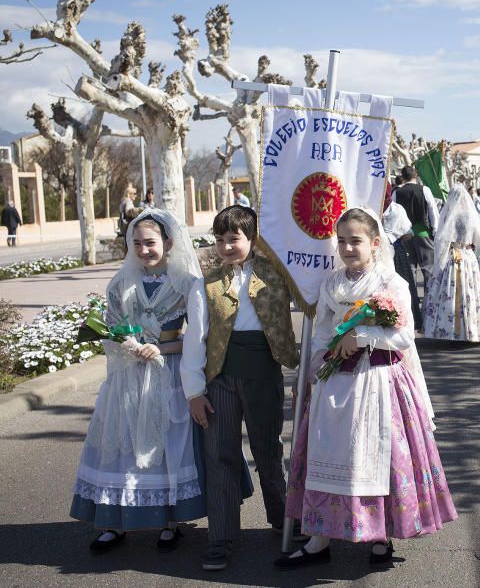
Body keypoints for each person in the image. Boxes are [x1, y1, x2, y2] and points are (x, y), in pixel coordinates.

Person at [278, 207, 457, 569]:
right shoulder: (332, 284)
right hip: (335, 384)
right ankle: (319, 537)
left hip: (379, 382)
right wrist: (309, 375)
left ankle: (380, 535)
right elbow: (323, 334)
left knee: (377, 456)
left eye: (355, 241)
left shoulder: (391, 284)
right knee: (327, 455)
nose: (346, 248)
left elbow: (404, 335)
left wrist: (361, 337)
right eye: (341, 241)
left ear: (375, 244)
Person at [70, 209, 205, 554]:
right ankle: (113, 522)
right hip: (129, 376)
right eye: (137, 243)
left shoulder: (186, 283)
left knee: (165, 443)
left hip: (167, 372)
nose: (144, 249)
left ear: (169, 242)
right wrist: (127, 344)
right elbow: (110, 329)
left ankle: (169, 521)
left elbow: (197, 337)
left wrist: (160, 347)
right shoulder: (120, 283)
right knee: (123, 443)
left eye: (151, 242)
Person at [180, 205, 300, 571]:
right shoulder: (206, 282)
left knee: (268, 450)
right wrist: (194, 392)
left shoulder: (278, 275)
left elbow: (313, 297)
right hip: (221, 380)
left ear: (252, 239)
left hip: (264, 374)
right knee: (220, 456)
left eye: (234, 239)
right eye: (219, 240)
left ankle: (283, 521)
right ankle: (221, 535)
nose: (226, 247)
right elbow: (194, 340)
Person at [423, 186, 480, 342]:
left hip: (451, 257)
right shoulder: (471, 217)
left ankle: (448, 331)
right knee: (469, 293)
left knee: (448, 292)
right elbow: (479, 239)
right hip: (467, 257)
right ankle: (469, 331)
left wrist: (439, 264)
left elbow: (441, 241)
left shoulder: (447, 217)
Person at [392, 165, 440, 323]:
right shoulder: (424, 189)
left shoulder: (396, 192)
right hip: (423, 233)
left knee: (409, 273)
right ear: (416, 175)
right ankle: (431, 309)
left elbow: (393, 214)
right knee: (429, 271)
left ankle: (411, 309)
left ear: (402, 176)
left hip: (404, 236)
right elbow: (433, 211)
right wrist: (436, 231)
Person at [382, 185, 421, 331]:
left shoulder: (369, 208)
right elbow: (407, 234)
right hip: (396, 253)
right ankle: (401, 321)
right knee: (400, 288)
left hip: (374, 255)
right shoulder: (397, 210)